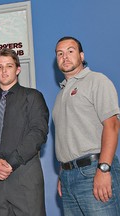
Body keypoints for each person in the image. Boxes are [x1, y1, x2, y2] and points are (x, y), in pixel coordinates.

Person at [0, 48, 49, 216]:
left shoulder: (33, 97)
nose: (4, 70)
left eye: (9, 66)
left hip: (25, 177)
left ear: (18, 69)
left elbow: (38, 133)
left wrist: (11, 162)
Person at [53, 36, 120, 215]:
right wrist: (63, 173)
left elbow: (112, 125)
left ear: (81, 56)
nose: (65, 56)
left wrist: (104, 169)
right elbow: (66, 138)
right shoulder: (61, 95)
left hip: (93, 171)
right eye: (60, 53)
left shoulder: (97, 80)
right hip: (68, 176)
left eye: (70, 51)